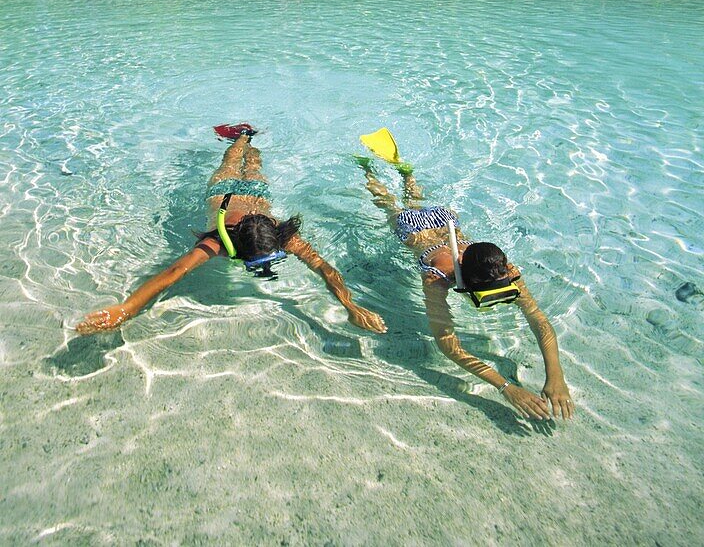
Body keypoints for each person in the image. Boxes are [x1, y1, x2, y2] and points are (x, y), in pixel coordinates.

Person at [77, 124, 386, 335]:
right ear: (238, 249)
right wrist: (125, 309)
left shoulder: (283, 236)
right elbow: (172, 273)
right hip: (223, 190)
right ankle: (241, 137)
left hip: (256, 193)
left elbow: (324, 268)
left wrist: (350, 304)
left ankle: (249, 139)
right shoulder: (220, 243)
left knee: (254, 166)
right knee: (233, 159)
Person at [358, 129, 574, 421]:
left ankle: (403, 171)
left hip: (444, 220)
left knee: (410, 201)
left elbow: (539, 321)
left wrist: (555, 375)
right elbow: (447, 344)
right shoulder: (437, 277)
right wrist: (505, 387)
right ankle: (368, 168)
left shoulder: (504, 270)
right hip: (414, 229)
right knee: (390, 204)